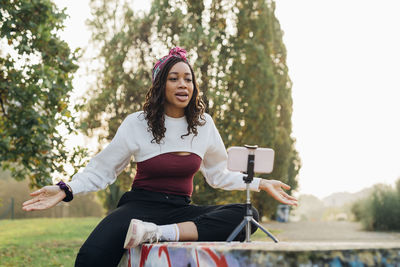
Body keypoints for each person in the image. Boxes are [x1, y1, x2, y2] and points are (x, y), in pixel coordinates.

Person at [23, 47, 298, 266]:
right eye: (174, 78)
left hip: (180, 210)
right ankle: (147, 229)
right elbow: (103, 169)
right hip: (139, 209)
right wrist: (65, 188)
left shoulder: (204, 125)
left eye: (188, 79)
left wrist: (260, 183)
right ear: (160, 85)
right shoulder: (137, 123)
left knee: (247, 215)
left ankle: (158, 233)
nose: (183, 85)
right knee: (90, 258)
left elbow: (218, 174)